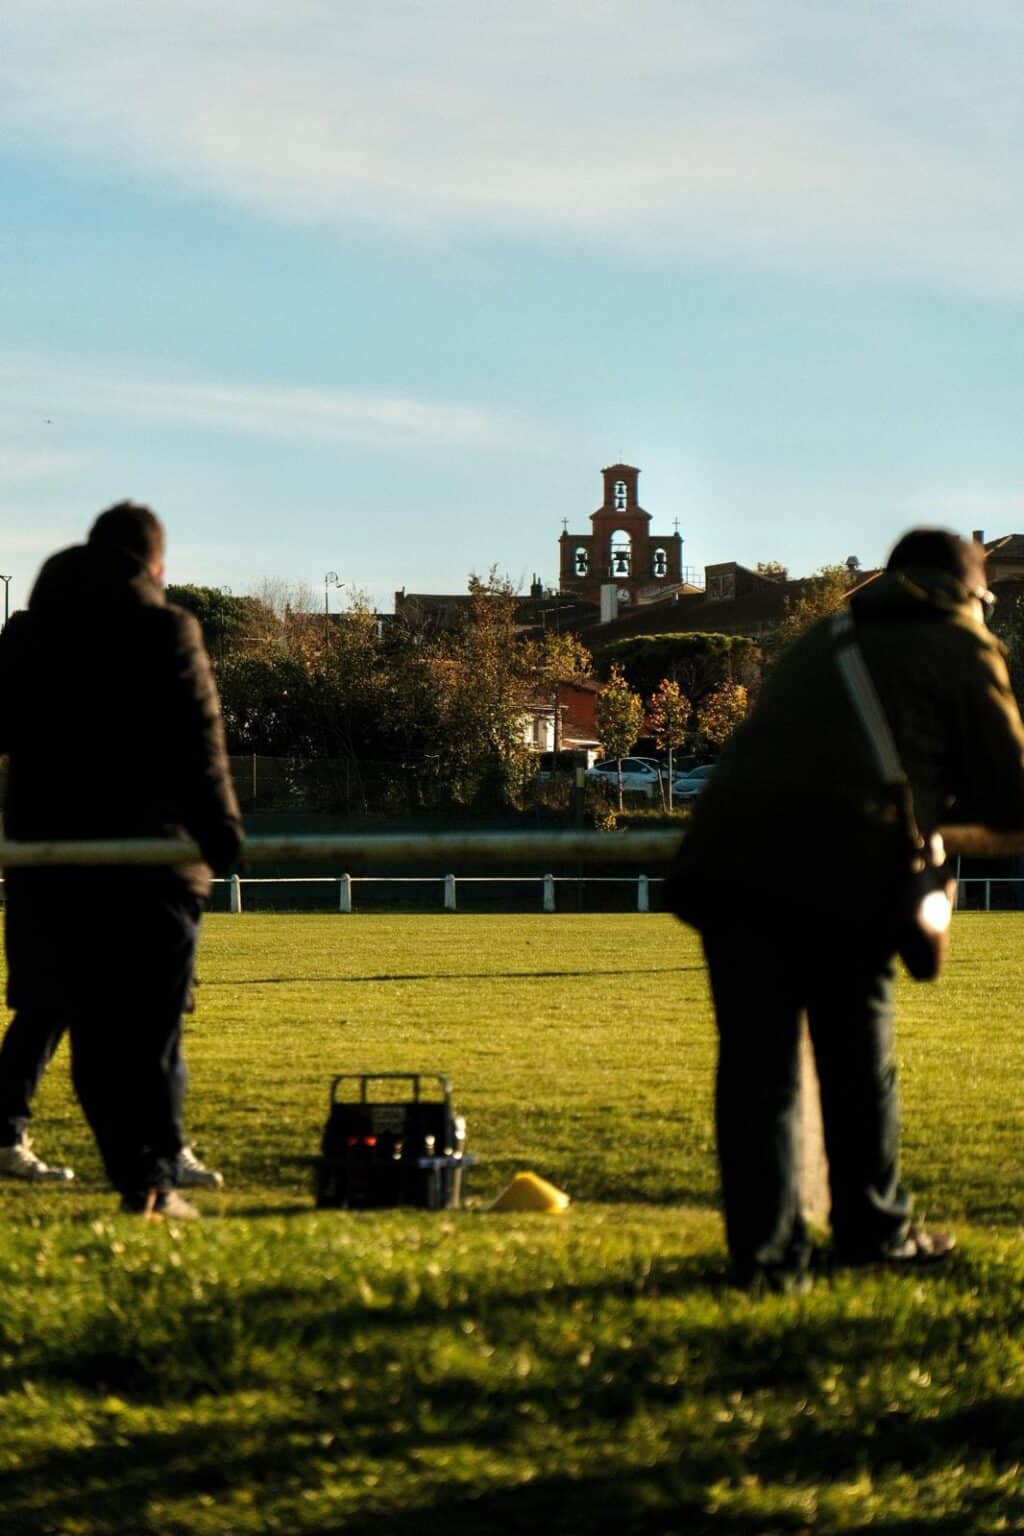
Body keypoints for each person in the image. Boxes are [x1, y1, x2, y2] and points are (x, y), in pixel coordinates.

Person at [669, 529, 1024, 1288]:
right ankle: (874, 1231)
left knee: (757, 1072)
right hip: (843, 865)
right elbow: (1010, 793)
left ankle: (765, 1262)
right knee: (858, 1062)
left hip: (726, 862)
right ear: (970, 591)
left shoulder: (823, 639)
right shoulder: (960, 641)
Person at [0, 502, 243, 1218]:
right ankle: (155, 1174)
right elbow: (199, 742)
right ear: (158, 567)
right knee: (151, 1028)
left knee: (70, 1020)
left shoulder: (27, 635)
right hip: (150, 862)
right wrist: (221, 834)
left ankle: (147, 1172)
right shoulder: (167, 629)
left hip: (48, 862)